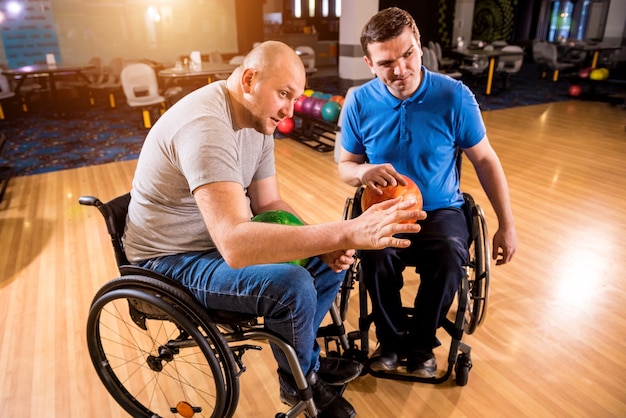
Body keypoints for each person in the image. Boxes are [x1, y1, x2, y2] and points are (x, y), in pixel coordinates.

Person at [123, 41, 425, 418]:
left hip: (214, 240)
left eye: (295, 98)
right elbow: (235, 244)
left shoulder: (255, 120)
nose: (289, 110)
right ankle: (300, 380)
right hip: (170, 259)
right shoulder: (206, 126)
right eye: (283, 94)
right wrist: (345, 232)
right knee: (293, 285)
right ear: (249, 79)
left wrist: (328, 244)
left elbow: (268, 206)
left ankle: (302, 365)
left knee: (329, 262)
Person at [338, 7, 518, 378]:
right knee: (374, 257)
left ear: (419, 45)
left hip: (440, 210)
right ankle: (390, 341)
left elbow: (485, 160)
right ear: (370, 63)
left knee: (451, 255)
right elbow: (345, 166)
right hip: (385, 209)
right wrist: (361, 171)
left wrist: (507, 224)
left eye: (408, 54)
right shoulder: (359, 100)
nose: (401, 69)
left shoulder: (454, 97)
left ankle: (421, 344)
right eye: (387, 62)